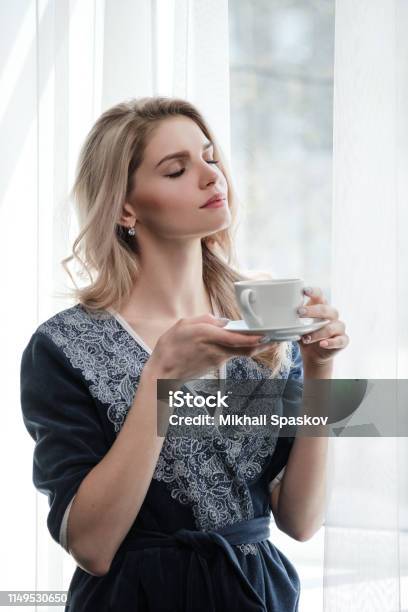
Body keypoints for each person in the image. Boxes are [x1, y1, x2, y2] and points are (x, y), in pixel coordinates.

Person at [20, 96, 349, 611]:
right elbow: (91, 546)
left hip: (255, 594)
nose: (210, 176)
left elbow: (301, 520)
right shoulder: (61, 347)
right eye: (176, 169)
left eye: (210, 157)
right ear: (126, 207)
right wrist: (162, 379)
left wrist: (320, 369)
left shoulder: (264, 326)